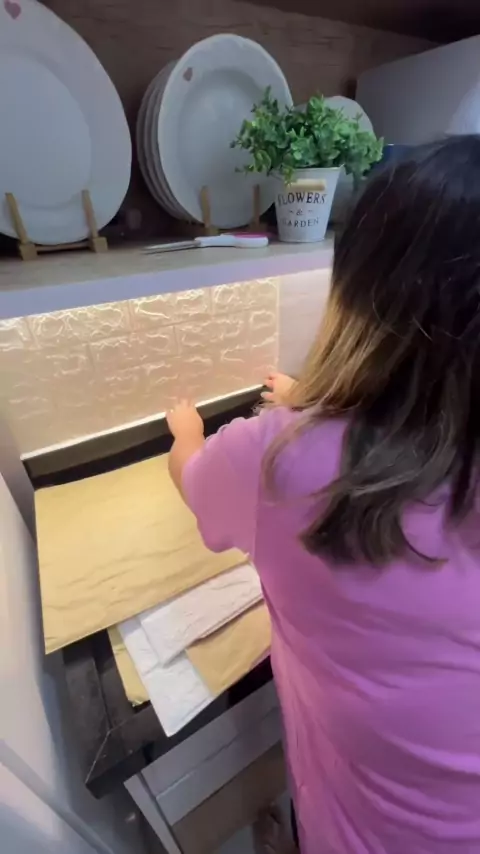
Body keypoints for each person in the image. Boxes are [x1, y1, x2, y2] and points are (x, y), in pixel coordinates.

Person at [166, 136, 480, 854]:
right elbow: (425, 414)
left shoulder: (276, 459)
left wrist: (188, 435)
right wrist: (317, 402)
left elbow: (195, 482)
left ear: (360, 298)